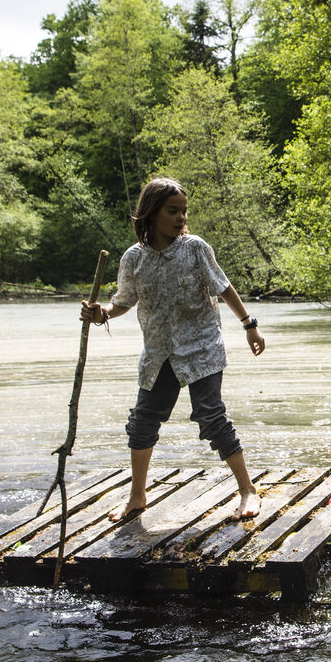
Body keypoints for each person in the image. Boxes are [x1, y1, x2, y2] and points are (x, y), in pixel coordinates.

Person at [80, 177, 266, 523]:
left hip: (202, 347)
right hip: (159, 352)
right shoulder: (134, 258)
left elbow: (224, 287)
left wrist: (249, 325)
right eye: (172, 211)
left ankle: (247, 490)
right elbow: (122, 302)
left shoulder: (195, 248)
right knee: (142, 421)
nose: (181, 217)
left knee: (210, 416)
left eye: (184, 211)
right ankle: (137, 496)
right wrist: (100, 314)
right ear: (151, 213)